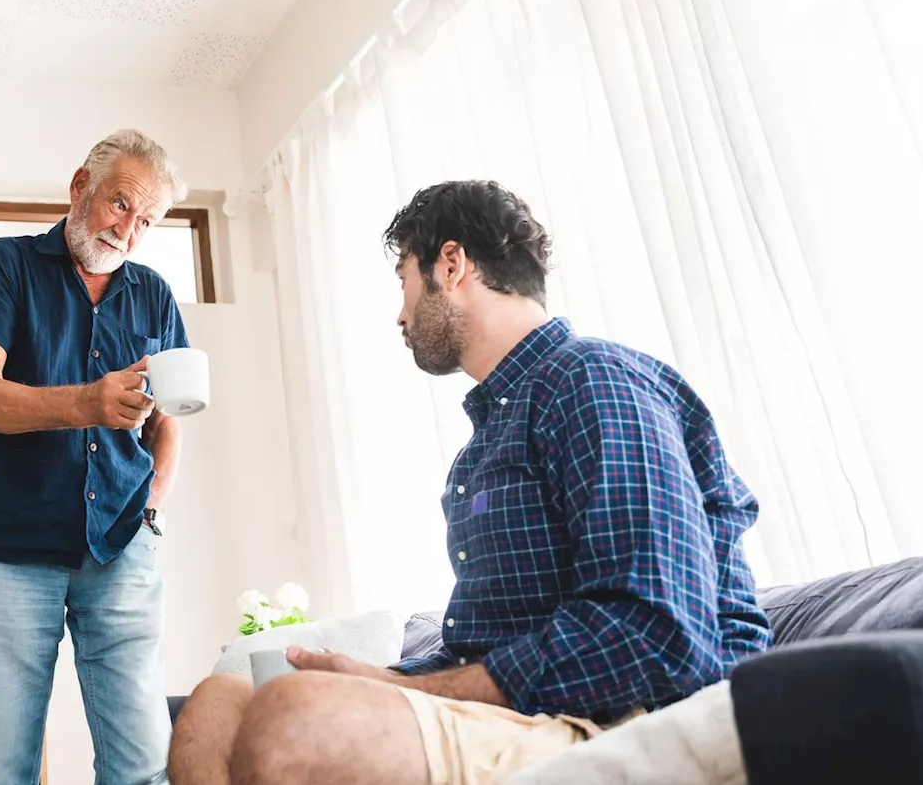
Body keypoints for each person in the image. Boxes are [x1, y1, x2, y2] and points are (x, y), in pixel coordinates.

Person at [167, 180, 772, 785]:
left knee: (294, 714)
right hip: (531, 716)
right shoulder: (488, 439)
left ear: (451, 265)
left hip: (634, 718)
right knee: (217, 705)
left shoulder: (593, 382)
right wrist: (389, 679)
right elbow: (483, 649)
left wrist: (414, 690)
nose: (400, 314)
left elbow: (654, 633)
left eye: (404, 281)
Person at [0, 130, 189, 785]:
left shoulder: (155, 295)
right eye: (120, 204)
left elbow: (169, 422)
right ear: (81, 186)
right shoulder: (4, 264)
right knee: (1, 768)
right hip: (6, 552)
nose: (128, 229)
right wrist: (87, 404)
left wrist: (153, 507)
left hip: (122, 547)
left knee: (144, 763)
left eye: (147, 220)